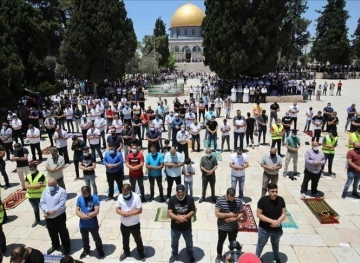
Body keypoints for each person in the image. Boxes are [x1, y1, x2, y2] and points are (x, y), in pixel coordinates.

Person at [255, 183, 286, 263]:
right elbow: (259, 214)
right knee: (260, 245)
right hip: (264, 229)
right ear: (268, 191)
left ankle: (276, 258)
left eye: (276, 191)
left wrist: (278, 222)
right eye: (272, 191)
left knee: (275, 244)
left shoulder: (281, 200)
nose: (275, 193)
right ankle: (256, 259)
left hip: (277, 229)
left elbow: (283, 214)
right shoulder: (263, 201)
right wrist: (272, 221)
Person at [40, 178, 71, 255]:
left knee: (62, 232)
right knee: (52, 232)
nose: (50, 186)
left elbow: (61, 204)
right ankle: (55, 245)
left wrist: (51, 212)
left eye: (52, 185)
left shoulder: (62, 191)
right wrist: (47, 211)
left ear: (56, 184)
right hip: (49, 216)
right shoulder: (45, 191)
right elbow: (42, 203)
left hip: (59, 216)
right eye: (49, 185)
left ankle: (66, 246)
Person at [116, 184, 146, 262]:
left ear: (130, 191)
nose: (124, 195)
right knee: (125, 239)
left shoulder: (136, 197)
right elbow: (117, 209)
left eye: (126, 193)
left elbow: (139, 210)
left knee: (138, 239)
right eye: (123, 193)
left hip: (134, 224)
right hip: (124, 224)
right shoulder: (120, 197)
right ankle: (126, 252)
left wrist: (129, 213)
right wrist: (123, 213)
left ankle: (141, 253)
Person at [168, 184, 196, 263]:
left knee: (189, 241)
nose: (180, 196)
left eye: (182, 194)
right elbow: (169, 212)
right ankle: (174, 254)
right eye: (178, 194)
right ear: (176, 192)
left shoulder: (190, 199)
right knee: (174, 242)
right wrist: (178, 218)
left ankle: (190, 253)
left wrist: (185, 217)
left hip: (186, 227)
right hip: (175, 227)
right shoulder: (172, 199)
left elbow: (193, 211)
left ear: (184, 192)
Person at [215, 188, 243, 263]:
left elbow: (241, 213)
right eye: (230, 199)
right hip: (222, 227)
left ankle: (232, 256)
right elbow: (217, 214)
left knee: (232, 243)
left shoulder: (238, 201)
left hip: (233, 227)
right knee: (220, 242)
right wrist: (229, 215)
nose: (231, 200)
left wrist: (234, 218)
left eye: (233, 198)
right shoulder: (220, 200)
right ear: (226, 195)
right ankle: (219, 255)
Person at [76, 186, 104, 259]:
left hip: (92, 224)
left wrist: (89, 215)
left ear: (89, 192)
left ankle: (100, 250)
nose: (84, 195)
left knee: (96, 238)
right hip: (83, 224)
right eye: (83, 194)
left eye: (85, 194)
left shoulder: (95, 198)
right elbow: (77, 210)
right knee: (84, 238)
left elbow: (96, 211)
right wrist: (82, 216)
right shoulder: (79, 198)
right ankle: (86, 250)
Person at [25, 162, 47, 227]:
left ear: (35, 168)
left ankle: (48, 221)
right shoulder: (28, 175)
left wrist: (30, 186)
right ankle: (37, 220)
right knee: (35, 209)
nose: (30, 171)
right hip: (31, 196)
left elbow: (38, 186)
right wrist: (33, 186)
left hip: (40, 196)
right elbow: (26, 186)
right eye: (30, 169)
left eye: (32, 169)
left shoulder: (41, 175)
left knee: (44, 209)